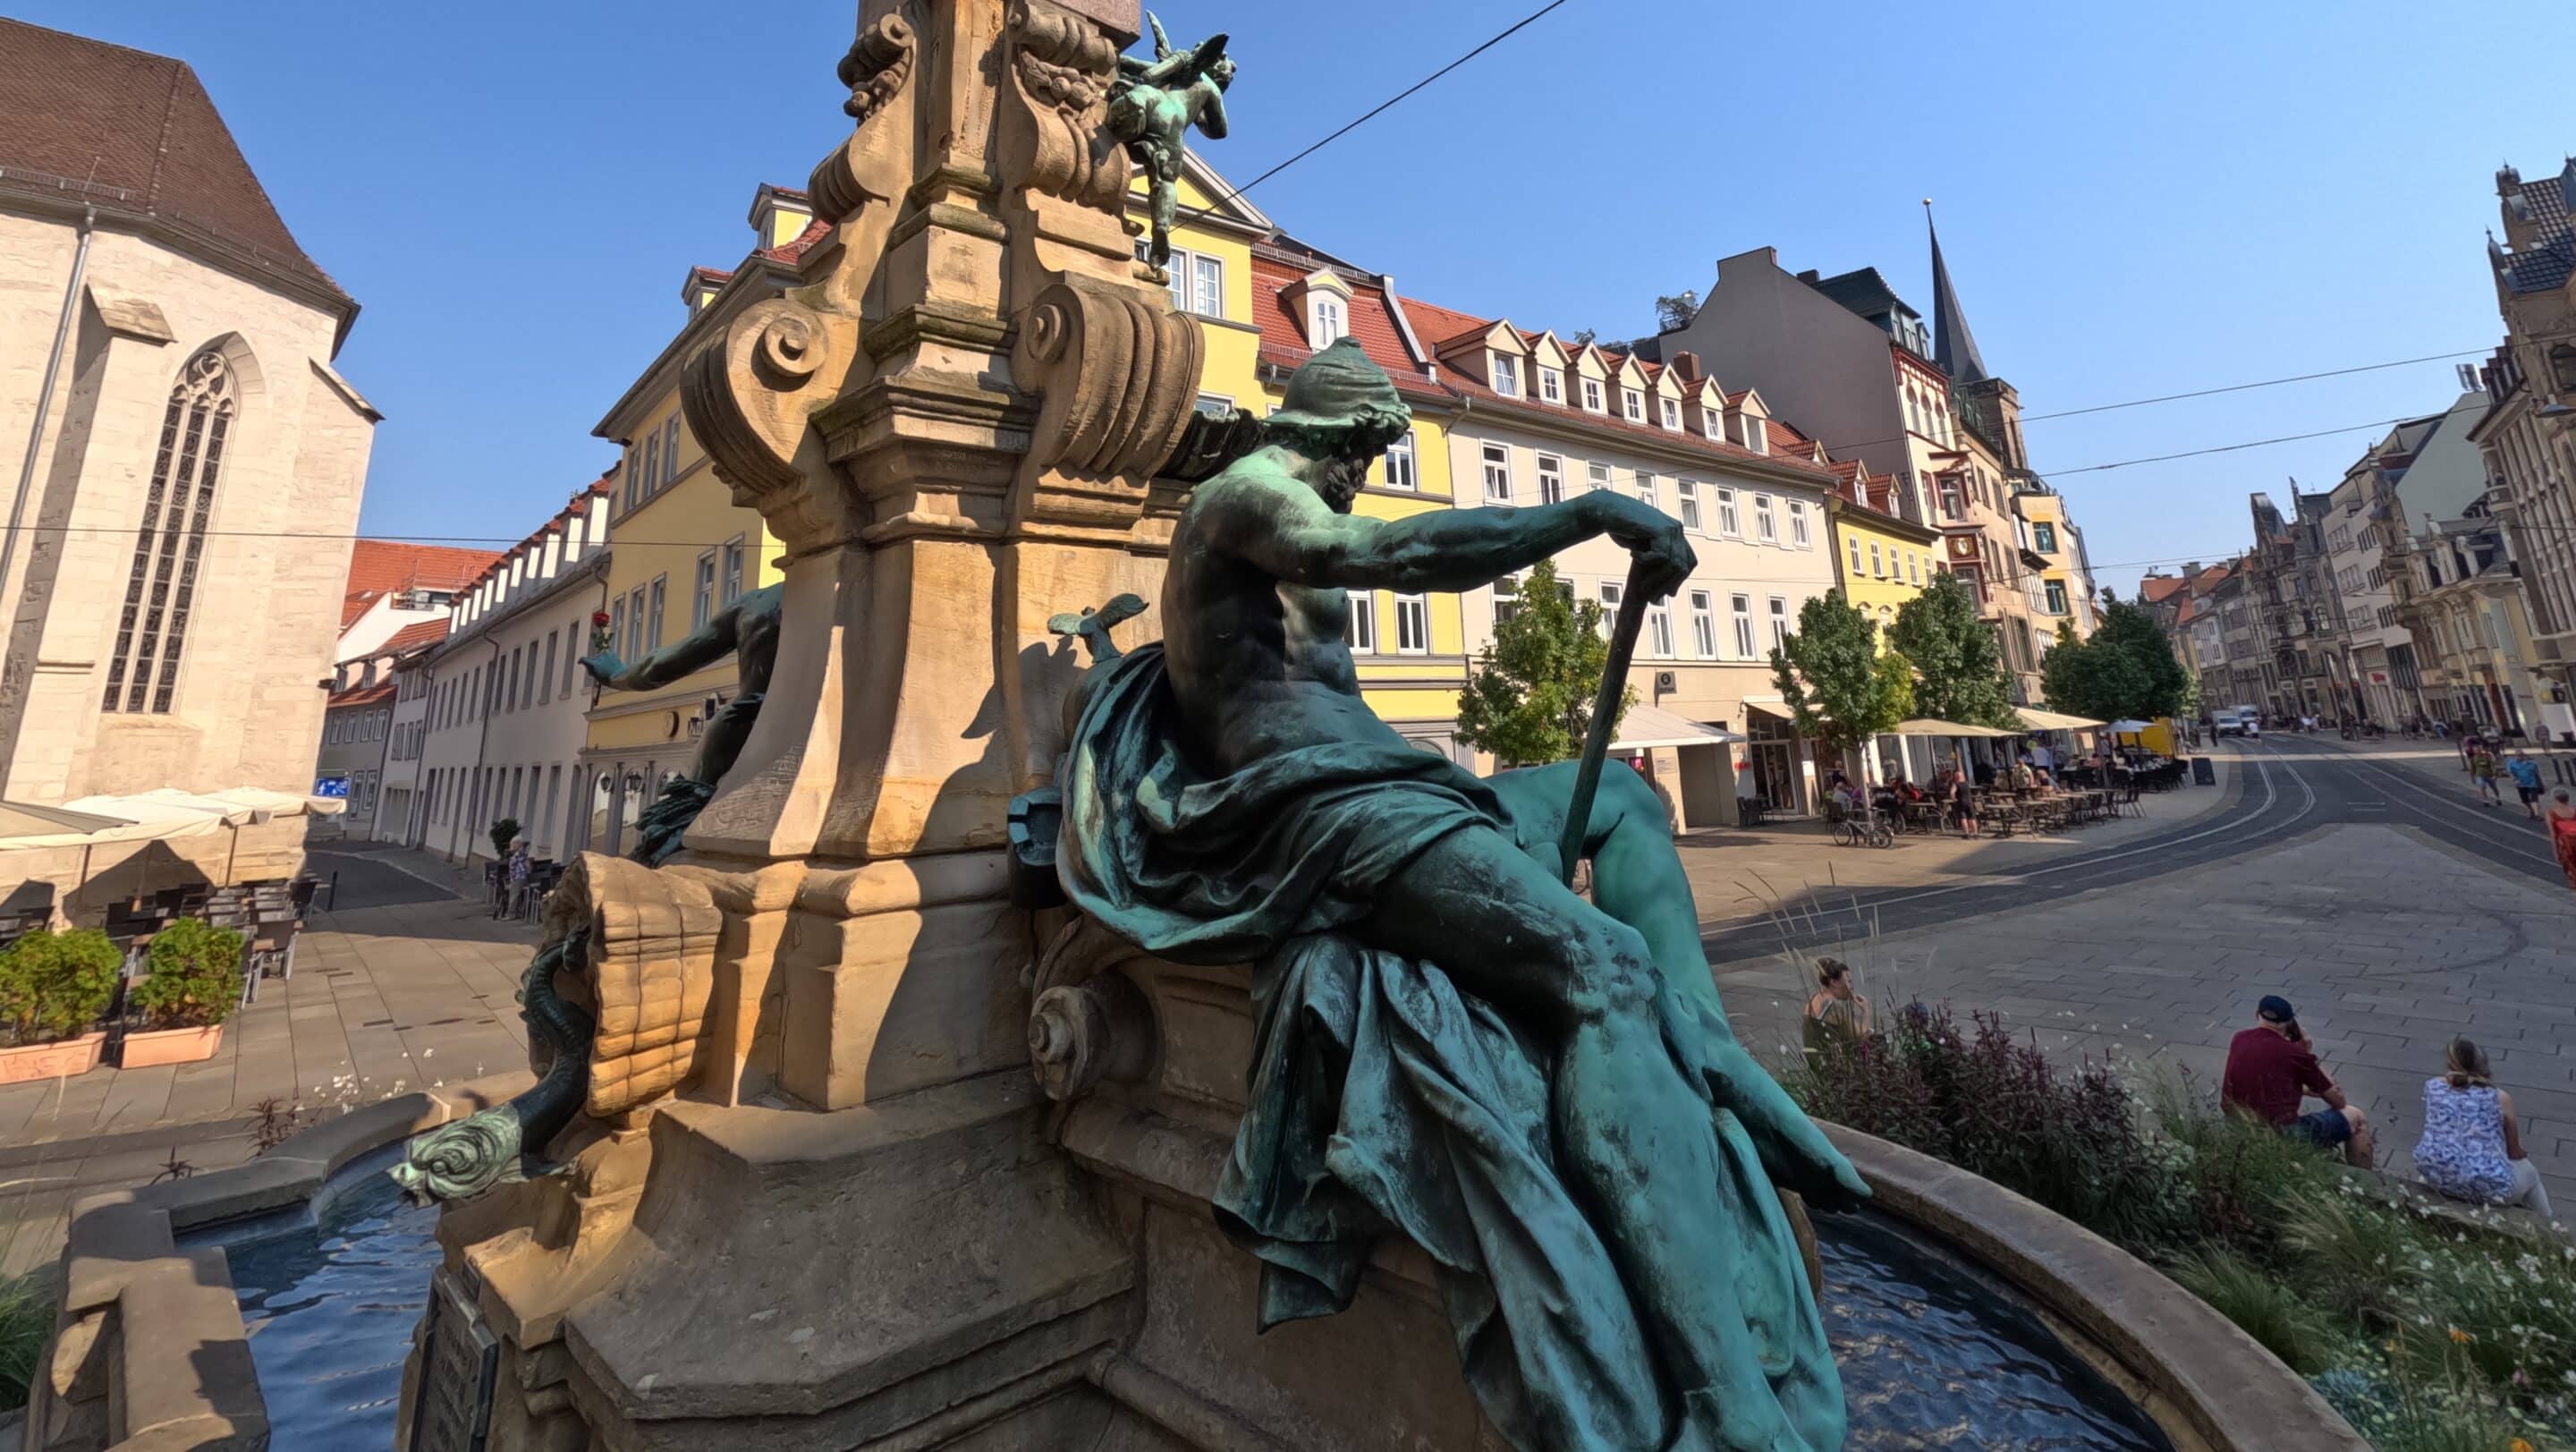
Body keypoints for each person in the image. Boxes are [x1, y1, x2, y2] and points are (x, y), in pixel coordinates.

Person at [1057, 338, 1860, 1449]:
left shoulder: (1280, 508)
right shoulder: (1247, 497)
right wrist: (1579, 517)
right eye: (1371, 451)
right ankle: (1725, 1405)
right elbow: (1388, 556)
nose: (1370, 474)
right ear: (1337, 434)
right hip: (1321, 813)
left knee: (1623, 800)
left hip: (1391, 780)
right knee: (1601, 968)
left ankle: (1699, 1075)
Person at [2221, 996, 2374, 1167]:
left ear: (2257, 1014)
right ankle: (2364, 1181)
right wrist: (2308, 1053)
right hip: (2280, 1135)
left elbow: (2260, 1083)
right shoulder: (2296, 1054)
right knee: (2355, 1116)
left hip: (2238, 1128)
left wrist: (2303, 1089)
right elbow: (2338, 1100)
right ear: (2291, 1023)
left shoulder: (2239, 1039)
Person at [2412, 1039, 2553, 1219]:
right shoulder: (2500, 1098)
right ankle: (2550, 1227)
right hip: (2490, 1189)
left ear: (2450, 1064)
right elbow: (2515, 1152)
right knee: (2530, 1172)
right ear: (2485, 1067)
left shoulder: (2433, 1087)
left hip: (2436, 1177)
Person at [1802, 956, 1873, 1058]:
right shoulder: (1835, 1007)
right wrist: (1866, 1011)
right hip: (1836, 1068)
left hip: (1818, 1063)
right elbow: (1863, 1037)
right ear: (1834, 982)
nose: (1851, 987)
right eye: (1849, 981)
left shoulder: (1813, 1000)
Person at [2546, 788, 2576, 894]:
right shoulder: (2574, 811)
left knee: (2570, 869)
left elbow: (2553, 834)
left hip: (2565, 846)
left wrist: (2555, 851)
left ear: (2555, 799)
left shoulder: (2551, 813)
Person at [2507, 748, 2546, 819]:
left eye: (2521, 755)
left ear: (2524, 755)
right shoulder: (2511, 763)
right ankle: (2531, 810)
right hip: (2521, 784)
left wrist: (2541, 784)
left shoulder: (2532, 764)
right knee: (2524, 800)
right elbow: (2510, 772)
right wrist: (2515, 780)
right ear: (2515, 755)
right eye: (2517, 755)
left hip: (2532, 783)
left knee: (2534, 799)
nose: (2519, 756)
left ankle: (2537, 814)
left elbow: (2537, 774)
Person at [1947, 766, 1979, 836]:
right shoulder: (1967, 784)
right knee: (1972, 818)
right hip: (1969, 802)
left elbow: (1952, 792)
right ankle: (1975, 833)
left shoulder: (1955, 784)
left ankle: (1967, 833)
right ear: (1961, 777)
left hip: (1961, 802)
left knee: (1963, 818)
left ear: (1956, 777)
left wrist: (1953, 798)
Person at [2470, 743, 2504, 807]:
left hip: (2489, 774)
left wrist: (2494, 774)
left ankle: (2498, 799)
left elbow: (2493, 765)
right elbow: (2472, 769)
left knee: (2494, 787)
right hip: (2479, 775)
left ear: (2481, 749)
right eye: (2476, 750)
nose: (2478, 751)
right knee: (2482, 787)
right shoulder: (2473, 758)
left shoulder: (2487, 755)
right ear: (2474, 750)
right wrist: (2472, 778)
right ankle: (2486, 801)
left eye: (2479, 749)